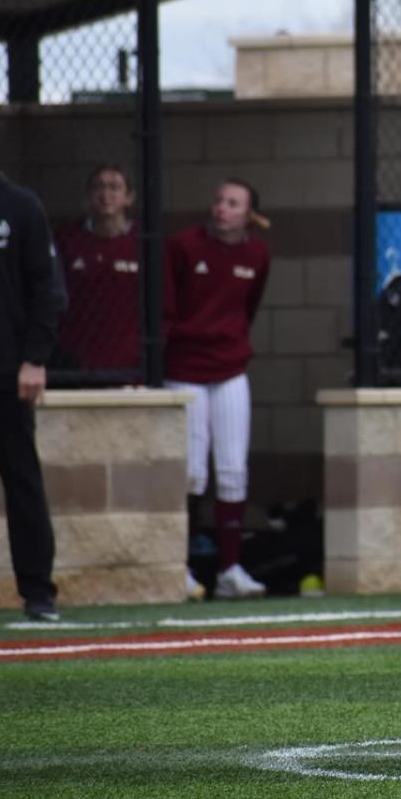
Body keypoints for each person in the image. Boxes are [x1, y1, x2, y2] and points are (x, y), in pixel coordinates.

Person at [163, 179, 271, 600]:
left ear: (248, 213)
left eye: (233, 203)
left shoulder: (257, 253)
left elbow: (249, 306)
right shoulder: (183, 246)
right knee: (191, 473)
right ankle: (183, 569)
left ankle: (229, 569)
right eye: (219, 200)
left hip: (229, 369)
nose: (222, 208)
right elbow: (168, 307)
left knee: (232, 471)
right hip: (185, 368)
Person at [0, 114, 68, 621]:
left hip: (5, 371)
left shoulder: (21, 207)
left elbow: (48, 291)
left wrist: (34, 358)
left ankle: (38, 592)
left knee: (22, 480)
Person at [54, 164, 141, 376]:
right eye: (98, 187)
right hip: (76, 359)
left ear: (129, 197)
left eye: (114, 187)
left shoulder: (143, 242)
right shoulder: (67, 240)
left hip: (131, 359)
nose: (105, 194)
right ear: (88, 195)